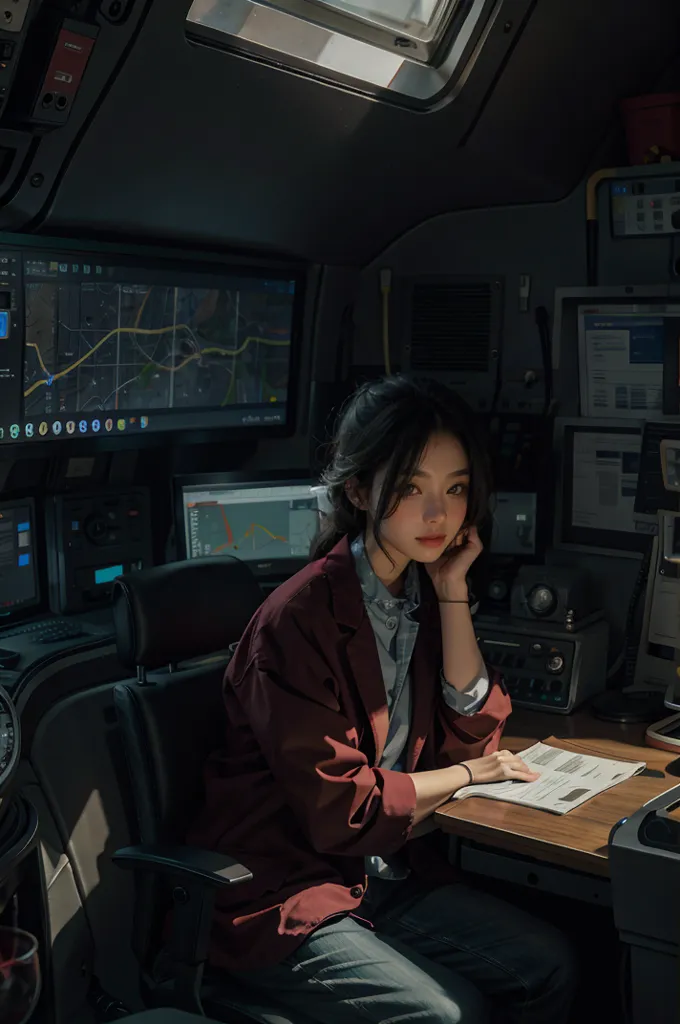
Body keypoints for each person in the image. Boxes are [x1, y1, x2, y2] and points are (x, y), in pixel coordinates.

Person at [188, 376, 578, 1024]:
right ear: (360, 491)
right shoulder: (299, 620)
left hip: (382, 874)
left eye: (455, 489)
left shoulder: (418, 595)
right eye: (411, 489)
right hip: (288, 890)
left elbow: (475, 734)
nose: (439, 515)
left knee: (550, 964)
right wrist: (466, 776)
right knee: (450, 1015)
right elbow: (343, 807)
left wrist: (453, 591)